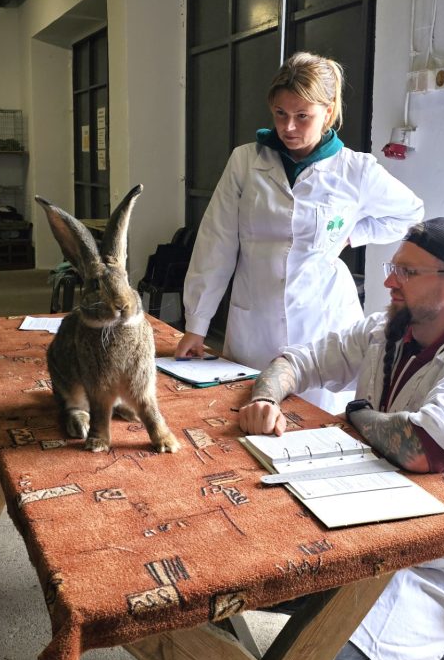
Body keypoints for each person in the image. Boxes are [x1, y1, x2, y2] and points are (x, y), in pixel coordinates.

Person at [239, 217, 444, 660]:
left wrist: (357, 417)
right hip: (370, 516)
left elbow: (425, 447)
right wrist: (267, 398)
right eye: (392, 266)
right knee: (246, 575)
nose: (388, 281)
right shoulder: (389, 328)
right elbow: (299, 358)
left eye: (407, 271)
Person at [176, 51, 424, 411]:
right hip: (253, 322)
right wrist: (197, 323)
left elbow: (411, 214)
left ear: (328, 112)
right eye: (281, 114)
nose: (288, 128)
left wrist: (354, 235)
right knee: (246, 418)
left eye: (302, 116)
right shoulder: (246, 161)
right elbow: (217, 242)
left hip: (323, 320)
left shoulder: (355, 170)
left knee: (318, 421)